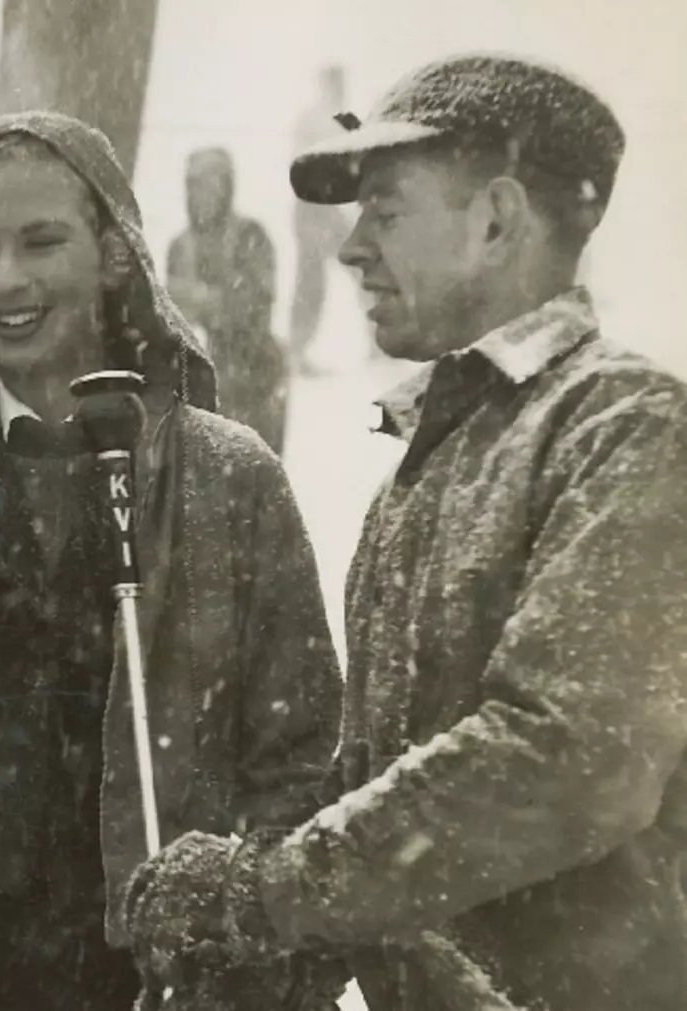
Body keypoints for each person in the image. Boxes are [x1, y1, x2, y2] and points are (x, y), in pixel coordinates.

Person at [123, 54, 687, 1011]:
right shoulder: (429, 462)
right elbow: (385, 788)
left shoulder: (628, 429)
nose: (348, 252)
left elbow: (567, 762)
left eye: (384, 212)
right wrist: (257, 955)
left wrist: (265, 896)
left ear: (498, 218)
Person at [0, 110, 345, 1011]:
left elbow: (299, 760)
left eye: (42, 241)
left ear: (116, 255)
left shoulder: (229, 480)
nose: (5, 279)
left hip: (148, 982)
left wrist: (237, 967)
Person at [167, 146, 288, 452]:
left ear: (227, 187)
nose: (200, 194)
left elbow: (256, 308)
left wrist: (204, 300)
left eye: (210, 184)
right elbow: (168, 315)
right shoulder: (180, 247)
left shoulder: (250, 236)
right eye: (193, 184)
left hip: (253, 377)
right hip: (194, 384)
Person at [286, 66, 354, 374]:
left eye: (339, 84)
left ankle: (379, 344)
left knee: (362, 263)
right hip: (312, 205)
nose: (337, 89)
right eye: (332, 83)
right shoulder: (313, 118)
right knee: (311, 281)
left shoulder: (347, 120)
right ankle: (296, 351)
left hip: (330, 206)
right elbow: (300, 158)